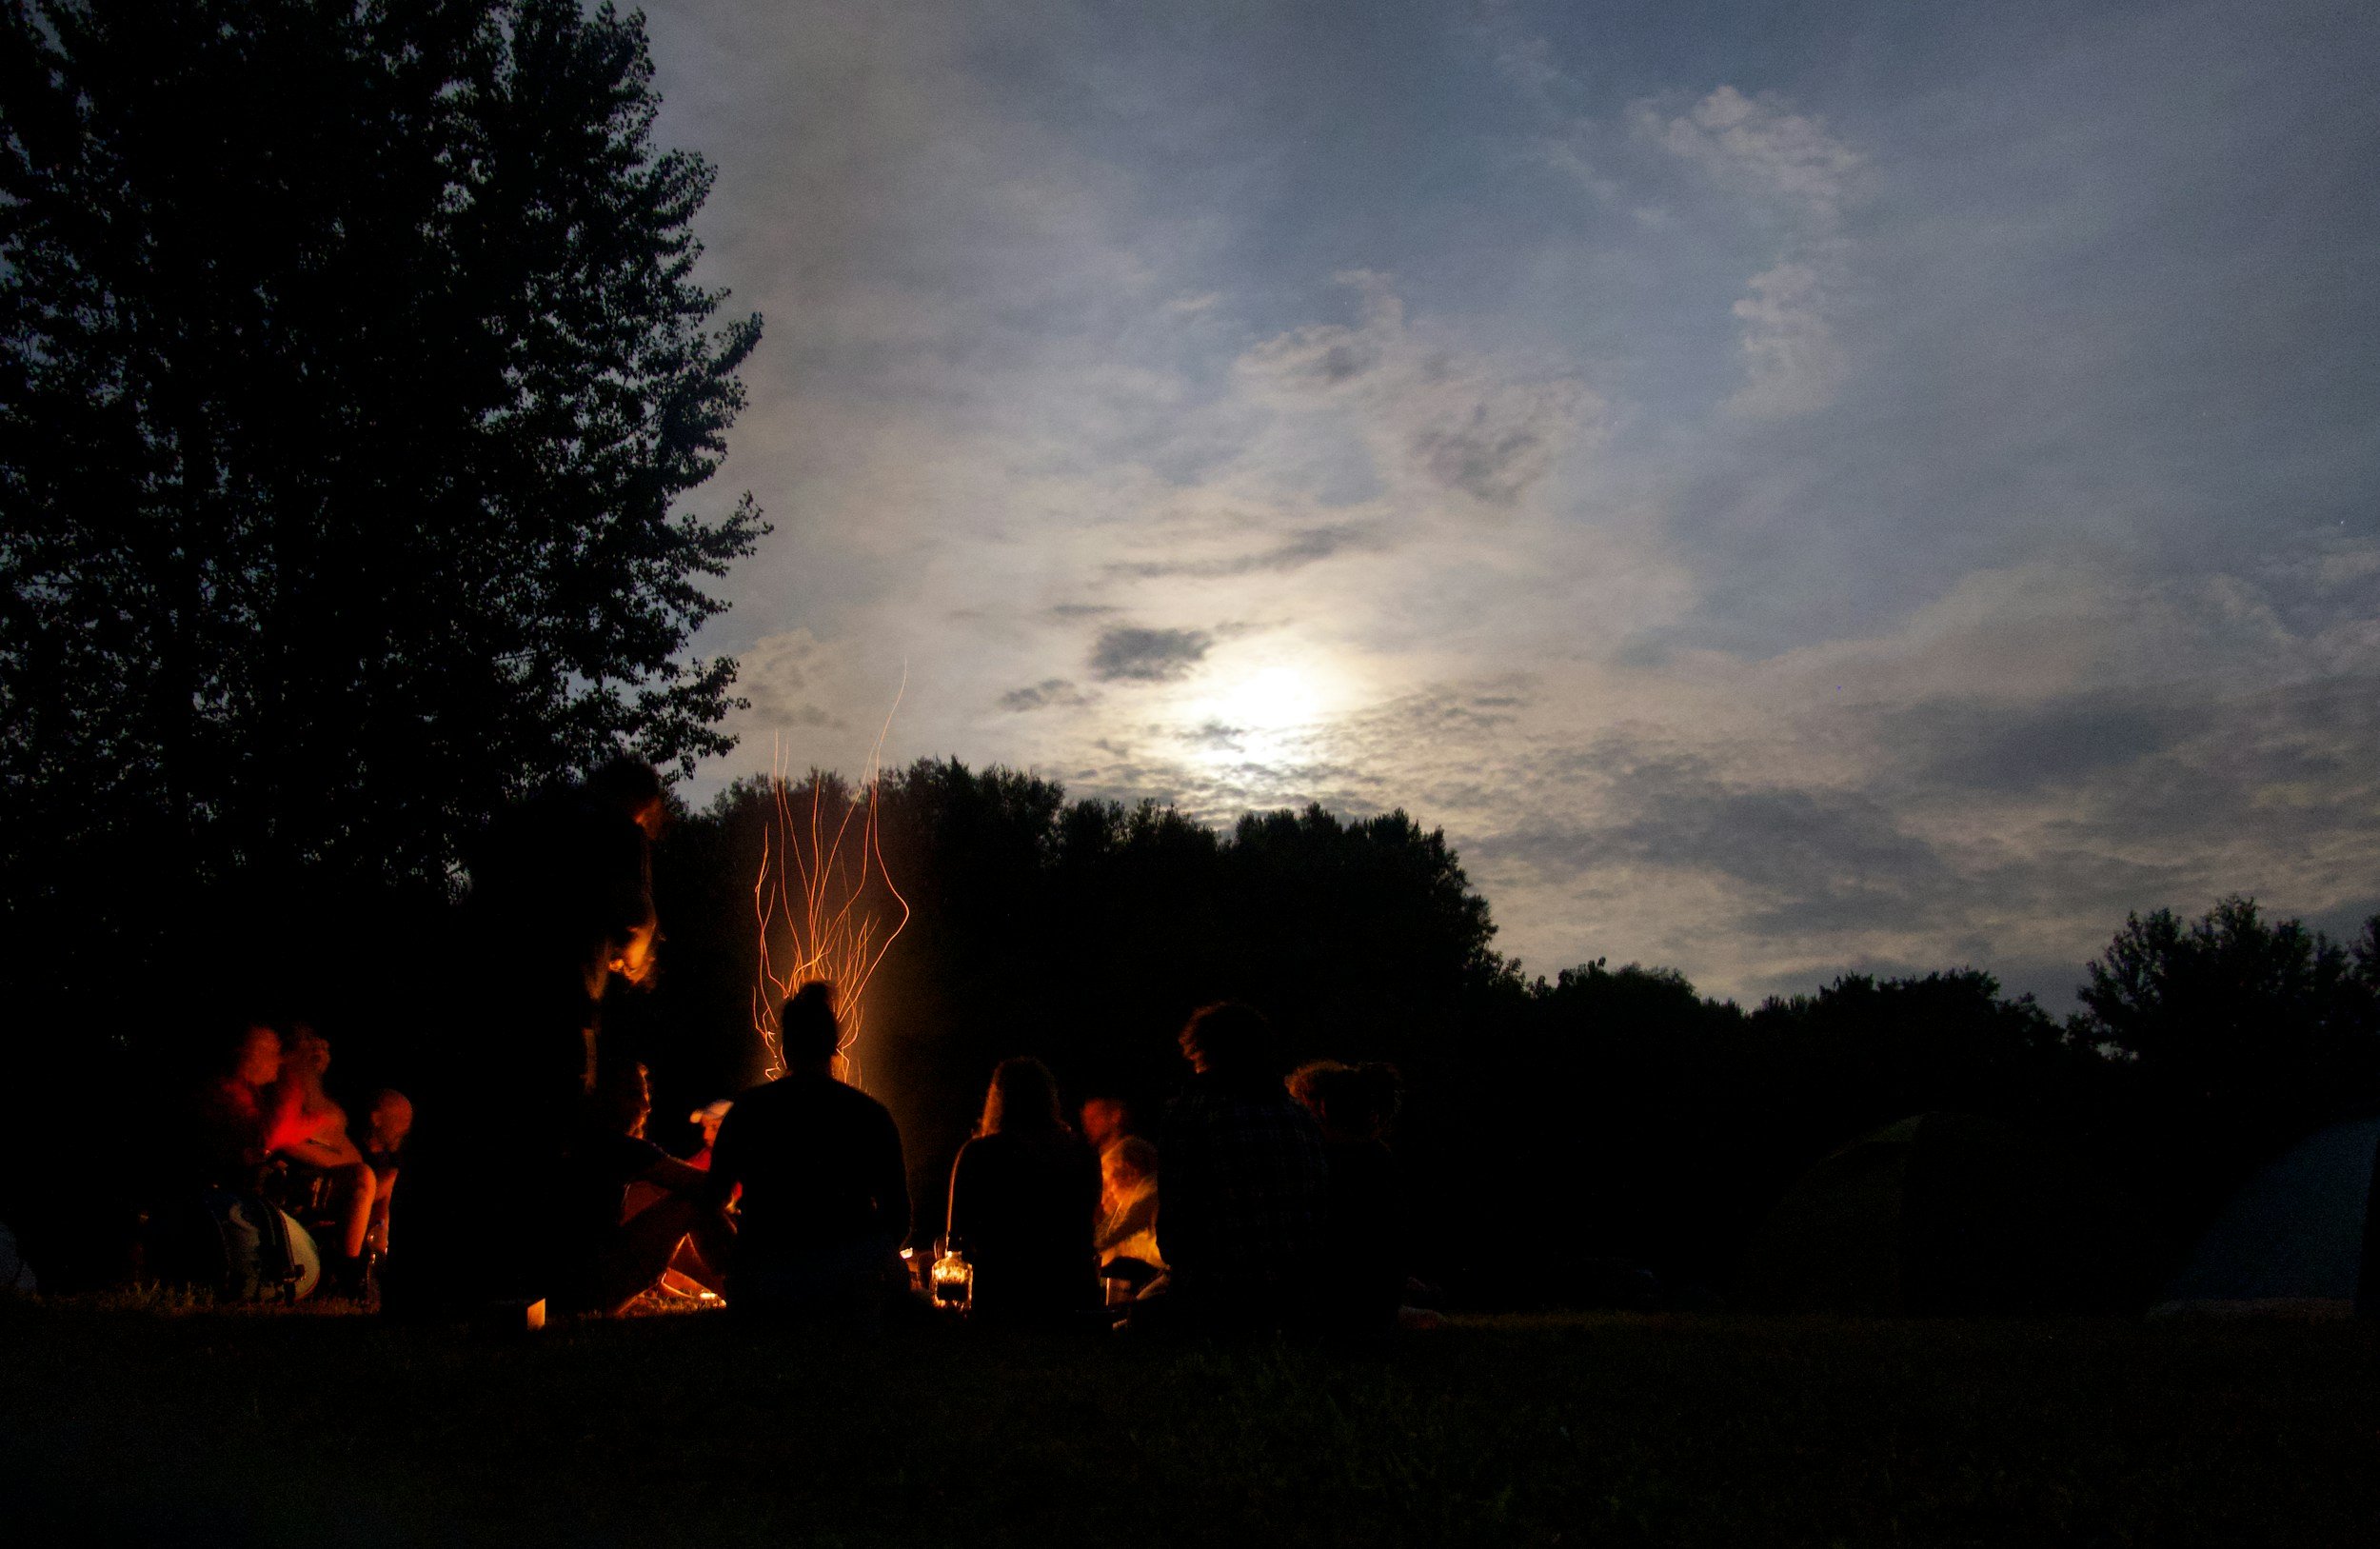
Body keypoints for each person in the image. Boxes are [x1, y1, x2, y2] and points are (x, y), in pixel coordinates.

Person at [387, 756, 667, 1320]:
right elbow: (635, 917)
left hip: (469, 996)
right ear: (643, 804)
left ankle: (416, 1286)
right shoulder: (619, 829)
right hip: (552, 1012)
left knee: (449, 1134)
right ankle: (513, 1292)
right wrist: (633, 957)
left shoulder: (529, 814)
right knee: (538, 1142)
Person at [707, 983, 910, 1322]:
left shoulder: (748, 1110)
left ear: (784, 1049)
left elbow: (712, 1199)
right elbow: (899, 1218)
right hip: (848, 1287)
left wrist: (740, 1256)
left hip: (765, 1285)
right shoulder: (869, 1115)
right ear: (835, 1046)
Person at [1148, 1002, 1330, 1330]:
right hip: (1299, 1297)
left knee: (1139, 1312)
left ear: (1201, 1054)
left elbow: (1177, 1224)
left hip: (1221, 1296)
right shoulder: (1299, 1116)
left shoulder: (1192, 1113)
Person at [551, 1061, 732, 1315]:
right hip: (591, 1290)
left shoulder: (580, 1141)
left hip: (564, 1291)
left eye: (646, 1096)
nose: (646, 1107)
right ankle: (744, 1285)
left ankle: (735, 1285)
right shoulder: (616, 1146)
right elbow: (713, 1188)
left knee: (670, 1200)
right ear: (606, 1097)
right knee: (690, 1203)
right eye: (635, 1095)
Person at [945, 1059, 1101, 1325]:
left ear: (996, 1099)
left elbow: (956, 1239)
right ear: (1050, 1098)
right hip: (1070, 1295)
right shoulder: (1082, 1154)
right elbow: (1087, 1228)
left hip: (999, 1297)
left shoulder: (978, 1154)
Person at [1288, 1060, 1406, 1332]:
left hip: (1333, 1306)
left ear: (1317, 1108)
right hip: (1374, 1302)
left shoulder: (1321, 1162)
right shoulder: (1378, 1158)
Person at [264, 1025, 383, 1293]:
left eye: (324, 1046)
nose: (321, 1049)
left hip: (333, 1175)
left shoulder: (318, 1092)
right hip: (300, 1182)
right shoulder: (290, 1081)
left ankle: (377, 1260)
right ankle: (348, 1272)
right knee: (363, 1179)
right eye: (311, 1043)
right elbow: (279, 1138)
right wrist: (340, 1163)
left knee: (388, 1180)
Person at [1096, 1135, 1162, 1282]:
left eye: (1108, 1182)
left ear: (1131, 1173)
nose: (1109, 1192)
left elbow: (1115, 1234)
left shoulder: (1150, 1192)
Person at [357, 1089, 412, 1259]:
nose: (405, 1128)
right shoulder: (353, 1148)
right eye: (400, 1120)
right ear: (376, 1119)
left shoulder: (393, 1162)